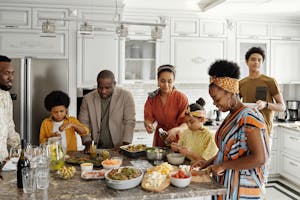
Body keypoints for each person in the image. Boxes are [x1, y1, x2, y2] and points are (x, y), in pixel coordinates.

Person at [192, 60, 270, 200]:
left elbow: (260, 158)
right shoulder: (231, 116)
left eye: (216, 98)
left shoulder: (249, 117)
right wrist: (207, 163)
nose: (215, 104)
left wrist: (223, 166)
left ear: (229, 92)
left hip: (242, 190)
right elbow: (227, 152)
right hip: (226, 184)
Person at [78, 70, 136, 150]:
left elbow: (129, 122)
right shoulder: (87, 99)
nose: (103, 91)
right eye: (100, 87)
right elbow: (83, 123)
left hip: (119, 146)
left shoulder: (126, 96)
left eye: (107, 88)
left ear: (114, 84)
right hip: (96, 147)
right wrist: (87, 142)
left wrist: (125, 145)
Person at [239, 47, 285, 135]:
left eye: (259, 60)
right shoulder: (241, 83)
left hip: (265, 130)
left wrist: (266, 104)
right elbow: (236, 105)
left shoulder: (270, 81)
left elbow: (282, 107)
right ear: (246, 61)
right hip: (246, 129)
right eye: (253, 59)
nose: (256, 62)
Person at [144, 64, 188, 147]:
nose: (166, 85)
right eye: (162, 81)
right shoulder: (151, 98)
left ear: (174, 81)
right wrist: (149, 125)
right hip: (160, 137)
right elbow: (148, 119)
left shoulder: (181, 98)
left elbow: (186, 123)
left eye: (169, 81)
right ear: (157, 81)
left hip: (177, 138)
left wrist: (177, 129)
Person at [171, 97, 218, 162]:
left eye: (191, 122)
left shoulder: (210, 137)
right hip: (186, 166)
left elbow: (207, 162)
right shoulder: (186, 132)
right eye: (186, 122)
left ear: (202, 119)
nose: (188, 125)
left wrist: (189, 153)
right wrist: (177, 148)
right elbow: (181, 151)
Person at [0, 55, 20, 162]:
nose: (11, 77)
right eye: (7, 73)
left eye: (12, 73)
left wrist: (19, 149)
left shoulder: (6, 95)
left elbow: (9, 126)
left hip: (3, 159)